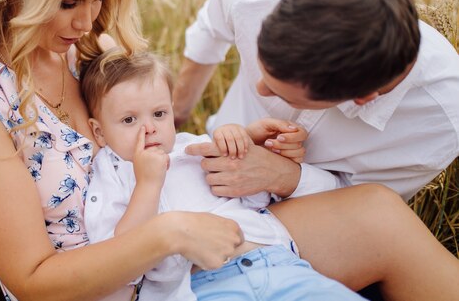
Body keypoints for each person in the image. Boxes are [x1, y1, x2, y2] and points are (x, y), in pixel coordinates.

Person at [0, 0, 459, 300]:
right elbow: (34, 283)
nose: (87, 21)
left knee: (378, 214)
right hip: (120, 287)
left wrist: (237, 148)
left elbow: (155, 146)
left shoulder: (90, 51)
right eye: (66, 3)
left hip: (189, 238)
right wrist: (169, 235)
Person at [81, 49, 366, 301]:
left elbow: (255, 198)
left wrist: (242, 146)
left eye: (159, 114)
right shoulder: (110, 174)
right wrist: (148, 183)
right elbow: (122, 258)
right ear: (99, 132)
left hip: (275, 261)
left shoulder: (191, 148)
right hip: (201, 286)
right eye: (129, 120)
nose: (150, 128)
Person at [173, 0, 459, 202]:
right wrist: (177, 113)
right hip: (204, 153)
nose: (258, 88)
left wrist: (286, 177)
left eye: (280, 94)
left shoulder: (441, 119)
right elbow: (210, 27)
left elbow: (364, 205)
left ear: (362, 97)